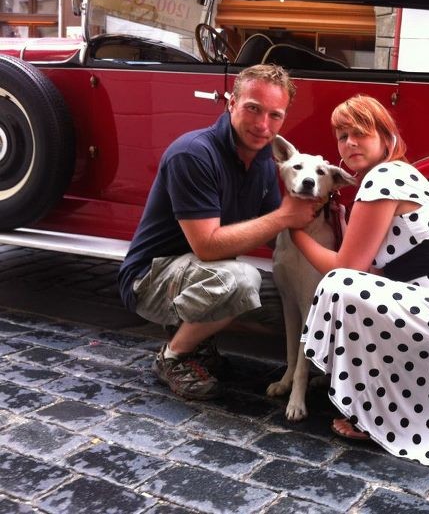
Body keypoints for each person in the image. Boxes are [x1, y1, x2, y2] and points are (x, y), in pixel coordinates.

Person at [290, 95, 429, 467]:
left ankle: (375, 415)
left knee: (340, 287)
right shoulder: (401, 173)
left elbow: (347, 268)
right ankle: (375, 402)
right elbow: (377, 269)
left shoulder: (384, 178)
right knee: (358, 290)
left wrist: (293, 230)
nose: (350, 143)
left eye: (361, 132)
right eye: (342, 136)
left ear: (386, 136)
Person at [118, 64, 316, 400]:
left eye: (275, 115)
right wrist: (285, 216)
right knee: (243, 281)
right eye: (253, 109)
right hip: (149, 278)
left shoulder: (263, 161)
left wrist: (331, 248)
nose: (263, 124)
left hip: (200, 271)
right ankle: (173, 356)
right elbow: (208, 246)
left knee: (274, 289)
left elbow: (275, 237)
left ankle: (200, 342)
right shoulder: (193, 153)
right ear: (231, 103)